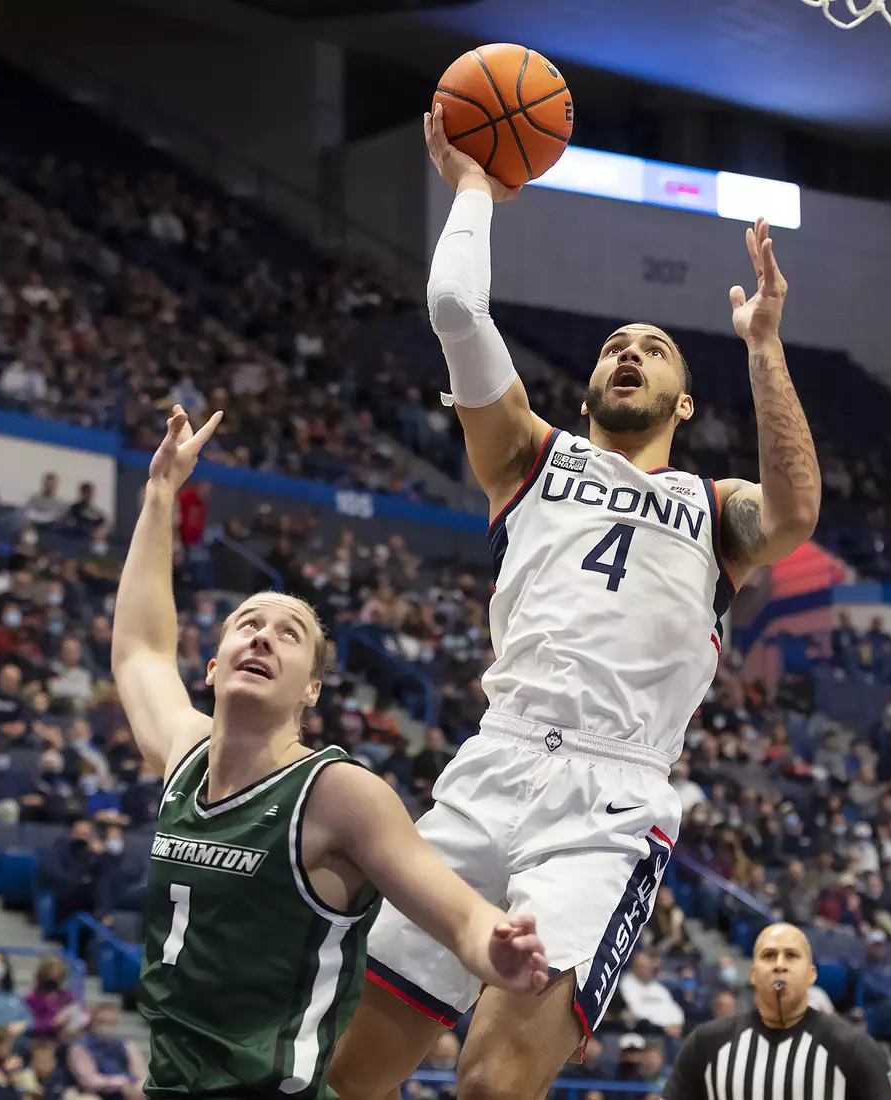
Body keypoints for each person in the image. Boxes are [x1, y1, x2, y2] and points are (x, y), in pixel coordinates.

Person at [330, 105, 820, 1100]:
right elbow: (461, 314)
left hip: (609, 799)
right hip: (493, 760)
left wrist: (762, 345)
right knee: (348, 1072)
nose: (629, 350)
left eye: (653, 348)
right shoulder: (528, 453)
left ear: (684, 402)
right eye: (614, 346)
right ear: (593, 385)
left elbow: (798, 513)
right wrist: (474, 188)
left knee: (491, 1083)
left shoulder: (712, 508)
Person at [113, 406, 550, 1099]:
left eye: (287, 634)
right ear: (213, 666)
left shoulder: (339, 793)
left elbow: (458, 914)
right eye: (246, 624)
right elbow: (139, 648)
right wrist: (160, 493)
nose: (261, 637)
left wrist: (493, 946)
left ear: (312, 689)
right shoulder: (183, 752)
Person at [660, 923, 891, 1099]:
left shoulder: (855, 1048)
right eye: (769, 956)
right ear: (753, 973)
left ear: (811, 973)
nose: (779, 965)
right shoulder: (707, 1043)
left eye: (791, 956)